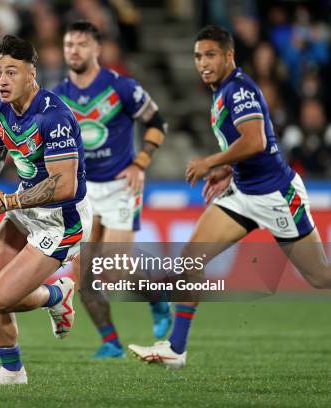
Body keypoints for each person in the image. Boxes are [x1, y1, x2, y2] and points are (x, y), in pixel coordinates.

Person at [128, 25, 331, 369]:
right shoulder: (223, 90)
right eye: (197, 56)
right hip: (244, 192)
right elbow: (253, 142)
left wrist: (211, 162)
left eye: (210, 55)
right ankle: (176, 349)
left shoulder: (238, 90)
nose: (202, 63)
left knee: (320, 277)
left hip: (276, 196)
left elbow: (255, 141)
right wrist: (228, 170)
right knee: (191, 259)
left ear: (229, 56)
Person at [0, 35, 92, 385]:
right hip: (26, 203)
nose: (3, 80)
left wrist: (6, 201)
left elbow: (63, 185)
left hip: (62, 218)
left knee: (0, 297)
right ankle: (11, 371)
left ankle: (58, 293)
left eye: (11, 72)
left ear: (31, 74)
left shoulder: (55, 117)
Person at [52, 20, 171, 359]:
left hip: (120, 185)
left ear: (97, 49)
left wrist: (141, 162)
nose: (74, 50)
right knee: (85, 277)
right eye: (68, 44)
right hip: (84, 191)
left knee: (115, 269)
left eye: (81, 44)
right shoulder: (58, 97)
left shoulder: (122, 88)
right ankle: (111, 343)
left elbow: (157, 122)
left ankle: (156, 294)